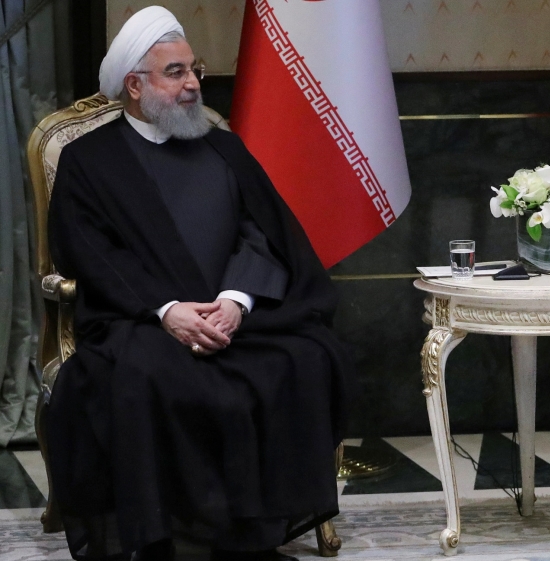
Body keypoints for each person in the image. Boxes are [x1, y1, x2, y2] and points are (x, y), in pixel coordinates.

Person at [46, 7, 355, 561]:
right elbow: (93, 255)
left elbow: (263, 234)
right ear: (135, 86)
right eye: (176, 72)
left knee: (305, 358)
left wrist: (236, 301)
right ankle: (174, 534)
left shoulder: (224, 148)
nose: (192, 84)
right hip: (140, 319)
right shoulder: (87, 161)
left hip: (234, 319)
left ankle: (254, 530)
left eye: (194, 69)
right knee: (148, 378)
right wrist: (167, 310)